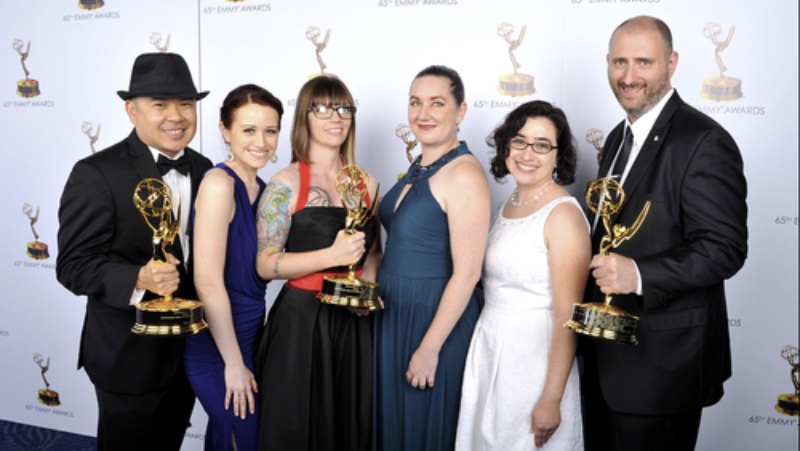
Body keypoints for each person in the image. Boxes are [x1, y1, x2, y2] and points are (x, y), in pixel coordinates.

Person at [581, 16, 748, 451]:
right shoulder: (619, 137)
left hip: (662, 367)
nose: (629, 76)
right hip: (604, 358)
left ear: (671, 63)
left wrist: (638, 274)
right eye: (620, 62)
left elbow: (724, 248)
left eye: (643, 62)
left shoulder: (704, 140)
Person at [56, 52, 212, 450]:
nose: (175, 116)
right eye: (159, 104)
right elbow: (73, 266)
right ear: (132, 110)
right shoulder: (96, 173)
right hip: (128, 359)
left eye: (186, 104)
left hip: (188, 353)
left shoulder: (205, 168)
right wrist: (138, 278)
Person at [254, 75, 381, 451]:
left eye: (344, 107)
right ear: (304, 117)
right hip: (301, 324)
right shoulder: (284, 183)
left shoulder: (367, 183)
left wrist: (366, 291)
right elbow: (265, 264)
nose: (336, 117)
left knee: (347, 425)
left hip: (352, 323)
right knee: (295, 427)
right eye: (322, 107)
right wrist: (332, 257)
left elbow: (373, 252)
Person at [456, 100, 590, 450]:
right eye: (519, 141)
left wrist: (551, 398)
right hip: (492, 353)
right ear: (506, 147)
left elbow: (567, 316)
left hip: (534, 366)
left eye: (542, 144)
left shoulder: (563, 216)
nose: (528, 153)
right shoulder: (509, 203)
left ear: (558, 156)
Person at [373, 65, 491, 451]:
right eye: (415, 103)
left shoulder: (463, 174)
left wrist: (429, 348)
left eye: (437, 103)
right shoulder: (420, 167)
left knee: (424, 432)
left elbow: (469, 272)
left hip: (434, 320)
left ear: (460, 111)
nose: (423, 114)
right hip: (393, 316)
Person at [183, 84, 283, 450]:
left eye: (270, 130)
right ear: (225, 131)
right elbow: (207, 283)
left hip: (253, 335)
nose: (262, 141)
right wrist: (233, 364)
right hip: (217, 342)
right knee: (243, 431)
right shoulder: (218, 183)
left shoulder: (266, 188)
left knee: (235, 434)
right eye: (249, 130)